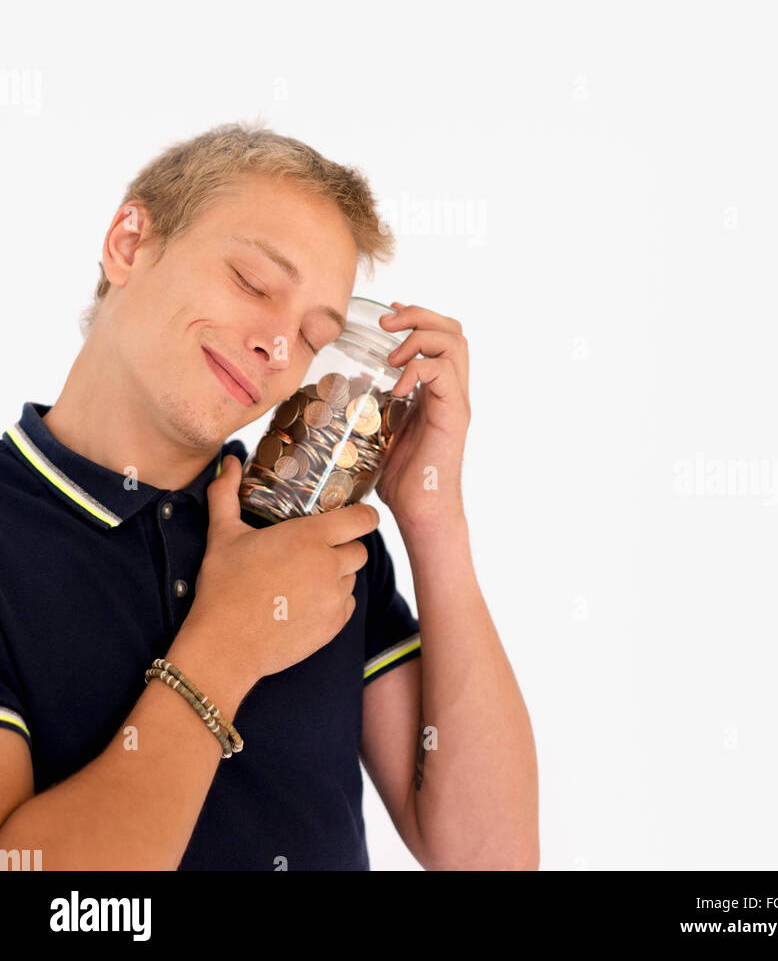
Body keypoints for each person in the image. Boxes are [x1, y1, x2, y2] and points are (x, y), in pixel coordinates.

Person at [0, 121, 539, 871]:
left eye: (314, 337)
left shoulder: (319, 540)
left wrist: (432, 517)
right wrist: (225, 645)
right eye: (252, 283)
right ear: (129, 244)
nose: (278, 350)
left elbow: (489, 858)